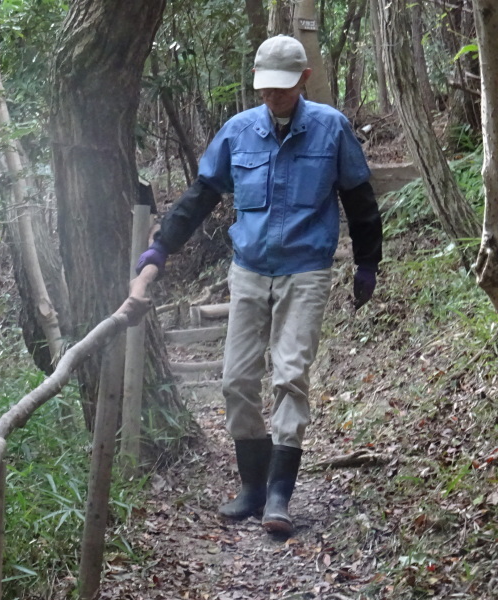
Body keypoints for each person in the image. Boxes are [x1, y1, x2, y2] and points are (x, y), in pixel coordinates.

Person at [135, 35, 382, 536]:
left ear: (303, 80)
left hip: (306, 271)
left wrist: (366, 264)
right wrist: (161, 248)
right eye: (266, 89)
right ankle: (251, 485)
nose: (274, 97)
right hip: (248, 271)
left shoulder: (331, 130)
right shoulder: (238, 132)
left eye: (283, 89)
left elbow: (359, 200)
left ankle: (278, 495)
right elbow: (201, 194)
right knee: (236, 380)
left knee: (289, 374)